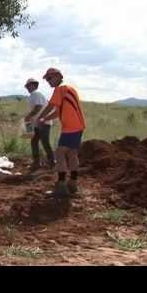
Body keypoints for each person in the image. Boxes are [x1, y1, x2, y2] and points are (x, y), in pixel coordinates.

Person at [37, 68, 87, 198]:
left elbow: (49, 106)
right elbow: (58, 112)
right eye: (47, 79)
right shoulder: (69, 89)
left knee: (59, 153)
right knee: (71, 153)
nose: (48, 81)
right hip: (78, 126)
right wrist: (45, 119)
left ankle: (61, 185)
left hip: (71, 128)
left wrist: (39, 117)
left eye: (50, 78)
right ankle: (73, 183)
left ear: (59, 76)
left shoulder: (60, 89)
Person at [24, 78, 56, 172]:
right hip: (37, 123)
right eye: (27, 86)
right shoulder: (33, 96)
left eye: (29, 86)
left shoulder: (36, 94)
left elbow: (38, 107)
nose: (28, 88)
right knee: (34, 141)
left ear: (34, 85)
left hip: (43, 122)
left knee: (45, 142)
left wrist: (29, 116)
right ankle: (37, 163)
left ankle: (52, 162)